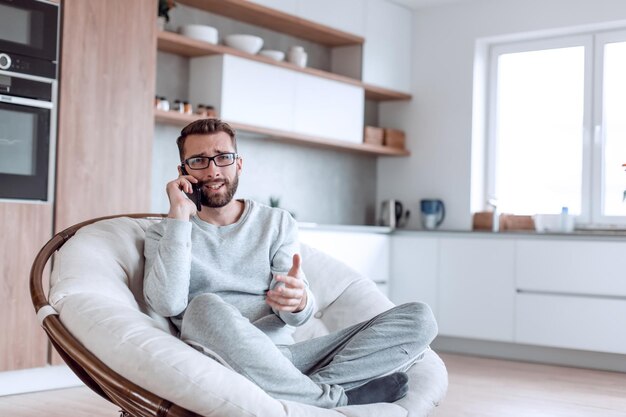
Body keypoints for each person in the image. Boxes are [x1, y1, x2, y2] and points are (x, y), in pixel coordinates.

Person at [143, 118, 438, 408]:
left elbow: (298, 318)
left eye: (223, 157)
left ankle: (301, 390)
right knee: (203, 307)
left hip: (292, 356)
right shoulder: (166, 231)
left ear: (239, 164)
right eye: (199, 161)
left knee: (420, 318)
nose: (213, 170)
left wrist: (298, 302)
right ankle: (331, 398)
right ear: (183, 172)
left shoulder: (276, 222)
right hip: (227, 357)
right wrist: (179, 217)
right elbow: (168, 305)